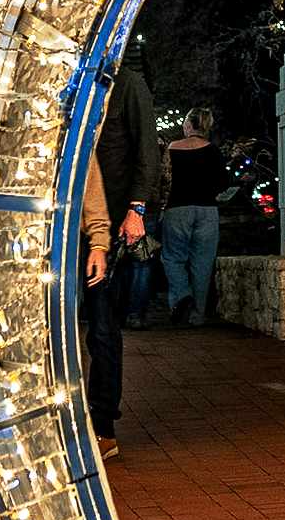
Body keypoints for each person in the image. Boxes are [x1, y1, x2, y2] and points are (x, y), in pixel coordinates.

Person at [82, 53, 160, 456]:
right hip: (68, 227)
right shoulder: (74, 83)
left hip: (110, 225)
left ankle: (103, 426)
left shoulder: (127, 85)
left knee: (103, 325)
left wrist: (137, 209)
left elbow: (149, 150)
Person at [162, 106, 227, 327]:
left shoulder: (172, 148)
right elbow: (223, 182)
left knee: (172, 257)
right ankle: (198, 315)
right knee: (202, 263)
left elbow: (164, 178)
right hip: (207, 209)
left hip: (178, 208)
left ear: (190, 124)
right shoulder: (213, 151)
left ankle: (181, 293)